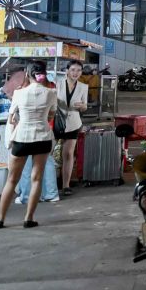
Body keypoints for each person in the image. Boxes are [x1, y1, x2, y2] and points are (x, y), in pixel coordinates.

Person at [0, 62, 57, 229]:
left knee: (12, 179)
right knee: (36, 179)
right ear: (43, 74)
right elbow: (51, 115)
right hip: (42, 137)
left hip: (22, 138)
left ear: (28, 74)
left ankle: (0, 218)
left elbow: (11, 118)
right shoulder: (51, 93)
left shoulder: (19, 93)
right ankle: (29, 218)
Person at [55, 61, 88, 196]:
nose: (76, 73)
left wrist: (82, 107)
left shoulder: (83, 86)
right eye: (73, 70)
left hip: (73, 123)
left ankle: (66, 185)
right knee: (47, 153)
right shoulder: (57, 84)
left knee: (68, 154)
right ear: (67, 70)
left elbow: (85, 106)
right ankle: (47, 182)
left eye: (79, 70)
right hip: (57, 122)